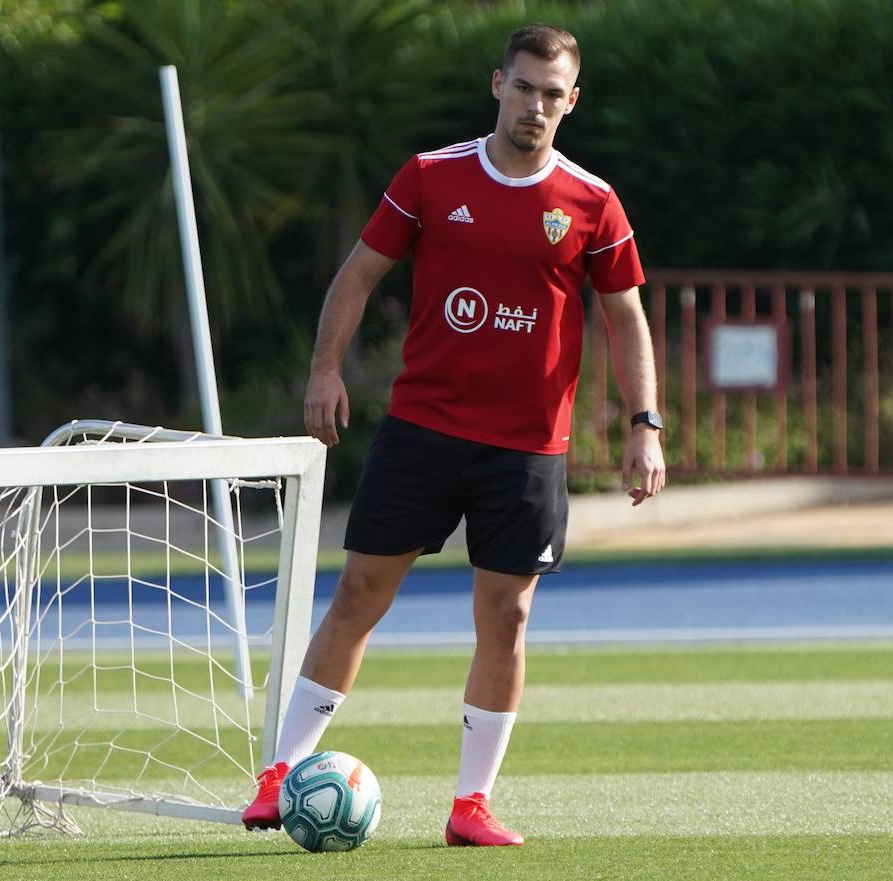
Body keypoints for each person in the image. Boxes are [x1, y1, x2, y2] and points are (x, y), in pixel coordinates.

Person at [242, 23, 666, 846]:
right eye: (524, 85)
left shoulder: (592, 201)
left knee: (505, 616)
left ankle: (470, 804)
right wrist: (325, 370)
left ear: (571, 102)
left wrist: (644, 424)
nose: (535, 104)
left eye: (553, 93)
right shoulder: (431, 176)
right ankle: (279, 774)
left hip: (528, 448)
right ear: (497, 84)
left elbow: (625, 317)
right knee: (361, 593)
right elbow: (359, 274)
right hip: (423, 430)